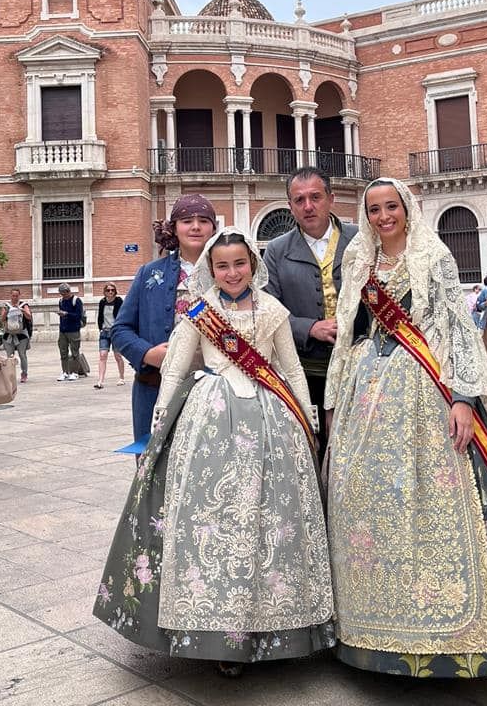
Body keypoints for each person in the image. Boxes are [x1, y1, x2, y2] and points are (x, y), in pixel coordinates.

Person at [324, 177, 487, 677]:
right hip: (368, 385)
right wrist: (337, 397)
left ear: (407, 208)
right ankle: (370, 631)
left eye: (392, 207)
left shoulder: (435, 258)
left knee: (435, 499)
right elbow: (348, 333)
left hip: (425, 383)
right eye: (375, 209)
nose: (384, 216)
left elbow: (458, 330)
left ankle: (450, 638)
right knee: (369, 501)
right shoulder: (358, 260)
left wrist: (464, 399)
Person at [94, 228, 334, 676]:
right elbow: (173, 371)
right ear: (210, 268)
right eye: (222, 266)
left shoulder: (274, 310)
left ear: (253, 264)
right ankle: (216, 630)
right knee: (213, 523)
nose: (232, 272)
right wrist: (158, 426)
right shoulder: (196, 314)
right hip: (209, 422)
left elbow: (293, 371)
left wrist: (309, 424)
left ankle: (273, 623)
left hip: (272, 422)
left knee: (271, 524)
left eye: (239, 263)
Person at [111, 194, 217, 447]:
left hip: (215, 393)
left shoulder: (228, 274)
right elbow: (120, 330)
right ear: (174, 227)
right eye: (186, 220)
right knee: (158, 470)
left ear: (213, 228)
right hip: (155, 389)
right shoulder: (150, 273)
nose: (195, 226)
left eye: (203, 220)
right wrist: (147, 353)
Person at [264, 166, 357, 447]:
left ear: (331, 197)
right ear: (290, 206)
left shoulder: (359, 240)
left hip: (357, 368)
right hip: (306, 371)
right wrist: (309, 327)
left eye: (315, 197)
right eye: (299, 200)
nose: (308, 206)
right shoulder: (277, 250)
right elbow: (269, 309)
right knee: (310, 446)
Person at [94, 284, 125, 389]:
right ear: (105, 292)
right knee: (103, 355)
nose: (110, 292)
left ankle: (121, 377)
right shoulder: (102, 302)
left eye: (112, 290)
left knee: (118, 356)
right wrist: (100, 328)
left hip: (116, 332)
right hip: (105, 332)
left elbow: (123, 315)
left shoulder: (119, 301)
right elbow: (100, 316)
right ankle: (100, 381)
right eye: (108, 290)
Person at [1, 288, 32, 383]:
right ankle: (11, 375)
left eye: (16, 295)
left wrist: (22, 310)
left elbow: (29, 317)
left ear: (19, 296)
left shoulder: (24, 305)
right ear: (10, 296)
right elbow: (2, 319)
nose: (15, 297)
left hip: (21, 334)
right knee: (9, 356)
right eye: (13, 295)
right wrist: (7, 311)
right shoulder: (6, 306)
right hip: (8, 335)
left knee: (22, 355)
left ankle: (24, 374)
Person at [56, 282, 85, 381]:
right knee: (63, 352)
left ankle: (75, 372)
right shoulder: (61, 301)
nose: (63, 296)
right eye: (61, 294)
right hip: (63, 330)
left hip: (74, 330)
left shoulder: (76, 301)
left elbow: (78, 315)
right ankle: (65, 372)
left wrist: (66, 314)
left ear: (69, 291)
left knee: (75, 352)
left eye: (64, 293)